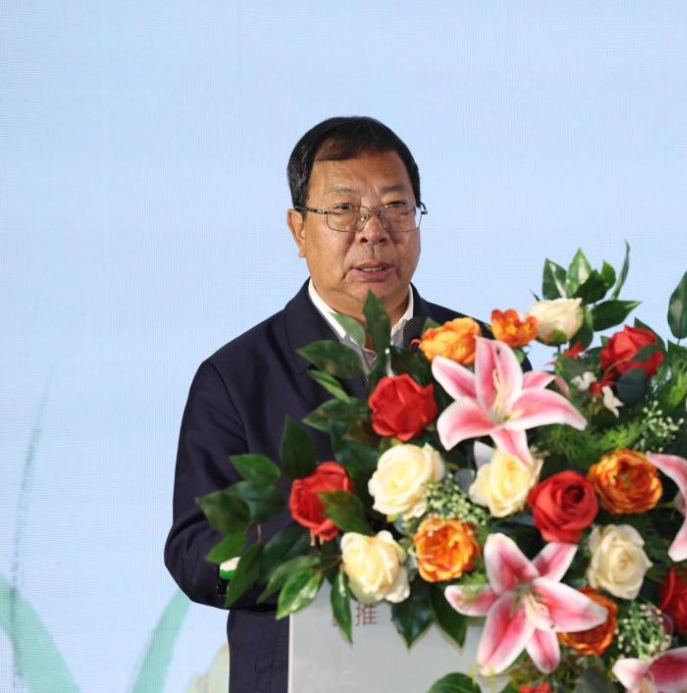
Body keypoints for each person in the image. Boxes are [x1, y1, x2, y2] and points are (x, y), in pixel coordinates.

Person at [164, 116, 494, 693]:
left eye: (396, 208)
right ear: (298, 230)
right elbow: (195, 554)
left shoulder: (479, 351)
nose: (374, 232)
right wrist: (321, 535)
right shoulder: (235, 378)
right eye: (344, 210)